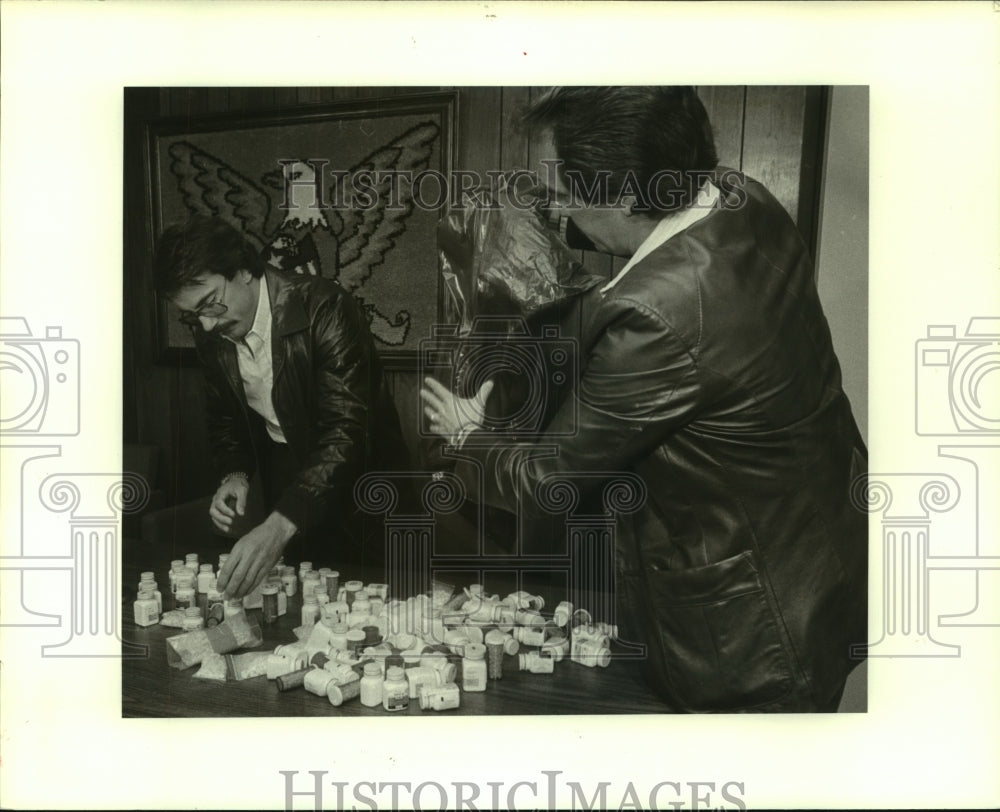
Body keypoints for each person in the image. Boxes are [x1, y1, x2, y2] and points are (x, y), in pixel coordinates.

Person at [420, 86, 867, 712]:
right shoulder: (740, 197)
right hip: (822, 564)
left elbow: (546, 485)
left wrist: (470, 435)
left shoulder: (654, 314)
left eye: (561, 191)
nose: (551, 204)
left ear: (630, 193)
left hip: (755, 628)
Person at [153, 215, 409, 598]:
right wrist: (235, 472)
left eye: (210, 304)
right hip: (288, 475)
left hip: (367, 488)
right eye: (193, 315)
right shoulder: (212, 332)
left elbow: (348, 431)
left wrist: (281, 523)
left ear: (242, 269)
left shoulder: (327, 306)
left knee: (378, 610)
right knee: (303, 608)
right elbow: (224, 418)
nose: (205, 326)